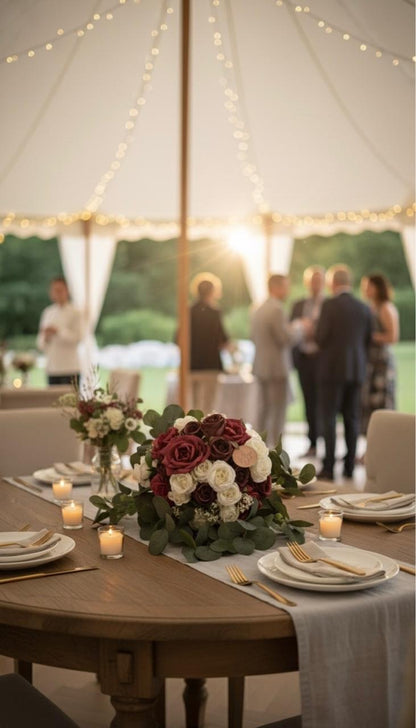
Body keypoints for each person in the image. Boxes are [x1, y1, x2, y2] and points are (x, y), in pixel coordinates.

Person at [315, 265, 372, 480]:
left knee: (328, 418)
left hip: (331, 370)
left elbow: (321, 337)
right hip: (356, 369)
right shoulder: (363, 307)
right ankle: (349, 466)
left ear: (332, 283)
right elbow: (368, 340)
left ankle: (329, 466)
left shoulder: (329, 305)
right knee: (352, 418)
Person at [251, 274, 307, 446]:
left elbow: (253, 337)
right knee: (278, 411)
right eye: (285, 286)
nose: (287, 290)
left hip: (261, 366)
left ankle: (259, 446)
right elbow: (284, 338)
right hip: (276, 368)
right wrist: (299, 327)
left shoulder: (257, 308)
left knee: (264, 409)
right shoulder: (277, 309)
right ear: (275, 287)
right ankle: (276, 449)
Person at [290, 265, 326, 457]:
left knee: (325, 403)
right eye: (313, 280)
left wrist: (316, 331)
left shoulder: (329, 304)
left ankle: (327, 445)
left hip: (323, 360)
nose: (315, 284)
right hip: (304, 360)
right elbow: (290, 328)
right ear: (307, 282)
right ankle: (312, 444)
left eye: (319, 280)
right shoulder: (298, 304)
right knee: (309, 402)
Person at [360, 273, 399, 433]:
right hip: (370, 362)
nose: (365, 290)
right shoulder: (371, 307)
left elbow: (393, 336)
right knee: (369, 404)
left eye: (368, 286)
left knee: (381, 404)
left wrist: (370, 336)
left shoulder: (385, 308)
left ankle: (385, 443)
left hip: (381, 363)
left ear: (377, 288)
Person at [188, 272, 230, 412]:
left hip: (191, 365)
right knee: (207, 408)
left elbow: (178, 339)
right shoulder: (214, 312)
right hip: (210, 365)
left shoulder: (188, 311)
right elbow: (223, 339)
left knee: (192, 407)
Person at [37, 277, 83, 386]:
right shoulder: (47, 312)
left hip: (70, 368)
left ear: (67, 291)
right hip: (52, 368)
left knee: (71, 402)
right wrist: (46, 337)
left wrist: (58, 331)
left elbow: (78, 338)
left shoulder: (75, 312)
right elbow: (40, 344)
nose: (57, 293)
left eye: (60, 290)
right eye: (54, 290)